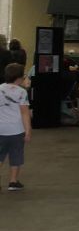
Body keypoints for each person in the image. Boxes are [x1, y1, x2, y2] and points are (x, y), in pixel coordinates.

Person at [0, 63, 31, 191]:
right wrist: (28, 131)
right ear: (19, 78)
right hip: (17, 130)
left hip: (1, 130)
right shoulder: (22, 92)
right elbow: (25, 113)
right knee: (16, 155)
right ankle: (13, 182)